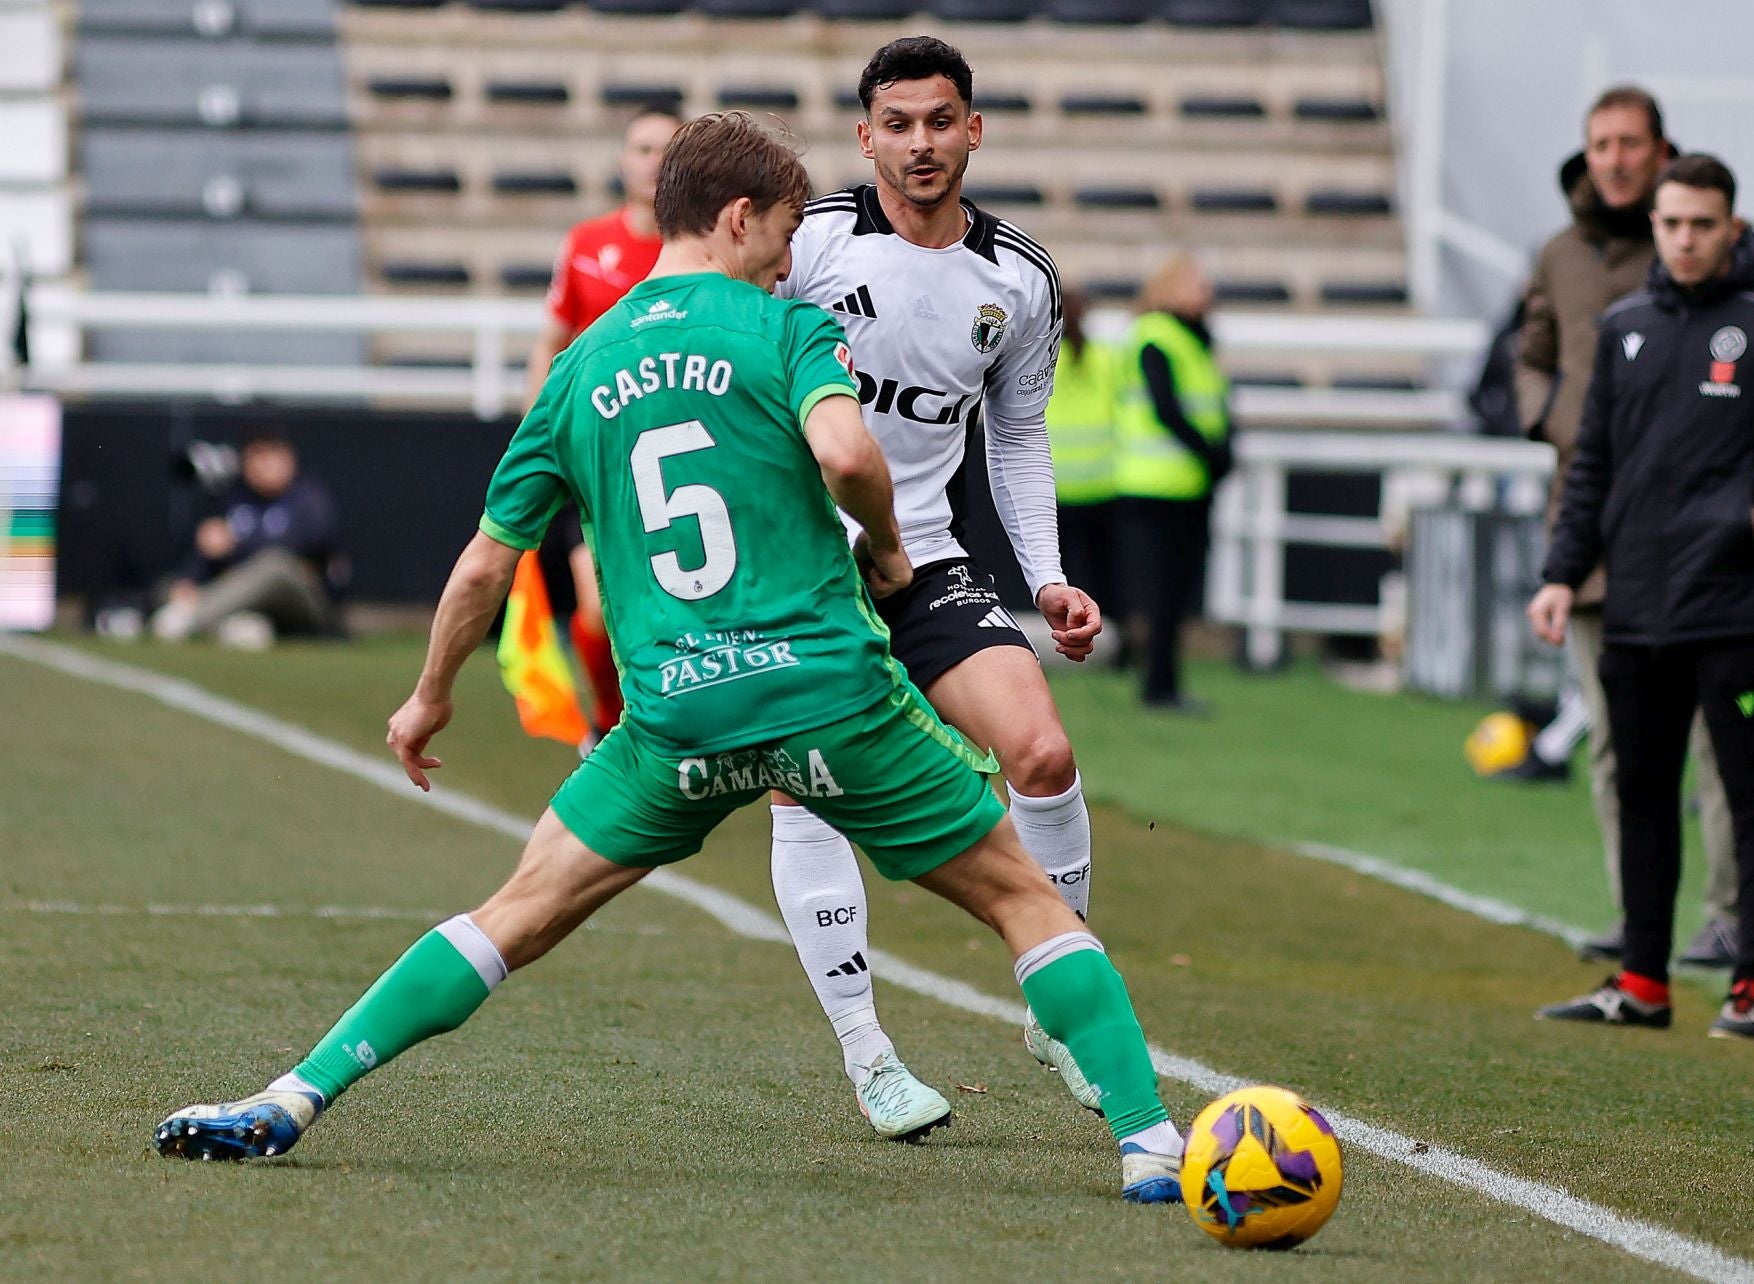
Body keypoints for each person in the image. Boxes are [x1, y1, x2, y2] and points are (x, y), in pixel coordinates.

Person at [152, 113, 1188, 1203]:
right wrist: (888, 553)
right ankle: (1153, 1147)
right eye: (785, 235)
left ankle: (292, 1095)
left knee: (515, 911)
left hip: (675, 720)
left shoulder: (577, 368)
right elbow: (847, 451)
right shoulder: (785, 331)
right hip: (827, 695)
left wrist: (425, 698)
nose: (792, 262)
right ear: (739, 219)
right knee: (1028, 902)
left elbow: (481, 570)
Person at [764, 37, 1107, 1141]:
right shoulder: (808, 242)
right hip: (799, 569)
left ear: (974, 130)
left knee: (1043, 754)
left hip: (923, 561)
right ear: (865, 138)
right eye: (898, 124)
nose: (921, 142)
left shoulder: (1019, 278)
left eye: (940, 121)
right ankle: (870, 1056)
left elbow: (1017, 440)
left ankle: (1057, 1005)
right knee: (805, 787)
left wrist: (1047, 579)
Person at [1529, 154, 1754, 1040]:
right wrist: (1561, 574)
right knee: (1642, 790)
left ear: (1731, 226)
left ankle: (1751, 991)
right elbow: (1594, 469)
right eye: (1671, 223)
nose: (1685, 240)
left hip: (1738, 614)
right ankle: (1644, 980)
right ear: (1654, 225)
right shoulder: (1625, 326)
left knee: (1751, 792)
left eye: (1702, 224)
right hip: (1638, 608)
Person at [1511, 86, 1741, 970]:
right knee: (1615, 737)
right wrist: (1557, 418)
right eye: (1599, 142)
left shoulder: (1702, 245)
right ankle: (1637, 910)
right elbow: (1529, 356)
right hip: (1592, 524)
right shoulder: (1561, 254)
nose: (1613, 157)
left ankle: (1725, 913)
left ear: (1659, 150)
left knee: (1717, 739)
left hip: (1697, 533)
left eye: (1629, 143)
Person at [522, 106, 682, 738]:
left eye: (668, 149)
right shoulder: (588, 244)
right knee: (595, 606)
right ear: (622, 162)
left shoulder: (697, 252)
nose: (654, 161)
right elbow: (550, 341)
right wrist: (544, 424)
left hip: (680, 450)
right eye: (643, 149)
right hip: (599, 453)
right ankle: (609, 724)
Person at [1112, 253, 1233, 710]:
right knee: (1163, 592)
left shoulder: (1192, 339)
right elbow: (1168, 409)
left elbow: (1212, 404)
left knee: (1174, 592)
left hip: (1186, 485)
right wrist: (1212, 452)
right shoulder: (1158, 336)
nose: (1207, 293)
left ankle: (1161, 680)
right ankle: (1157, 684)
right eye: (1197, 284)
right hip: (1157, 486)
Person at [149, 432, 342, 647]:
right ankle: (238, 624)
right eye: (257, 457)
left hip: (302, 599)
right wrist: (189, 579)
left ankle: (192, 618)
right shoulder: (233, 498)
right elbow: (208, 549)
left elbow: (310, 544)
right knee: (168, 586)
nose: (264, 465)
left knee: (274, 565)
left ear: (289, 459)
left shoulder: (308, 498)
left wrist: (237, 544)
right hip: (239, 593)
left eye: (271, 456)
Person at [1046, 286, 1123, 633]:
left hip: (1054, 484)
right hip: (1102, 481)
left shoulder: (1040, 358)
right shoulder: (1106, 358)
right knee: (1106, 571)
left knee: (1057, 574)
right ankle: (1114, 638)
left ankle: (1067, 632)